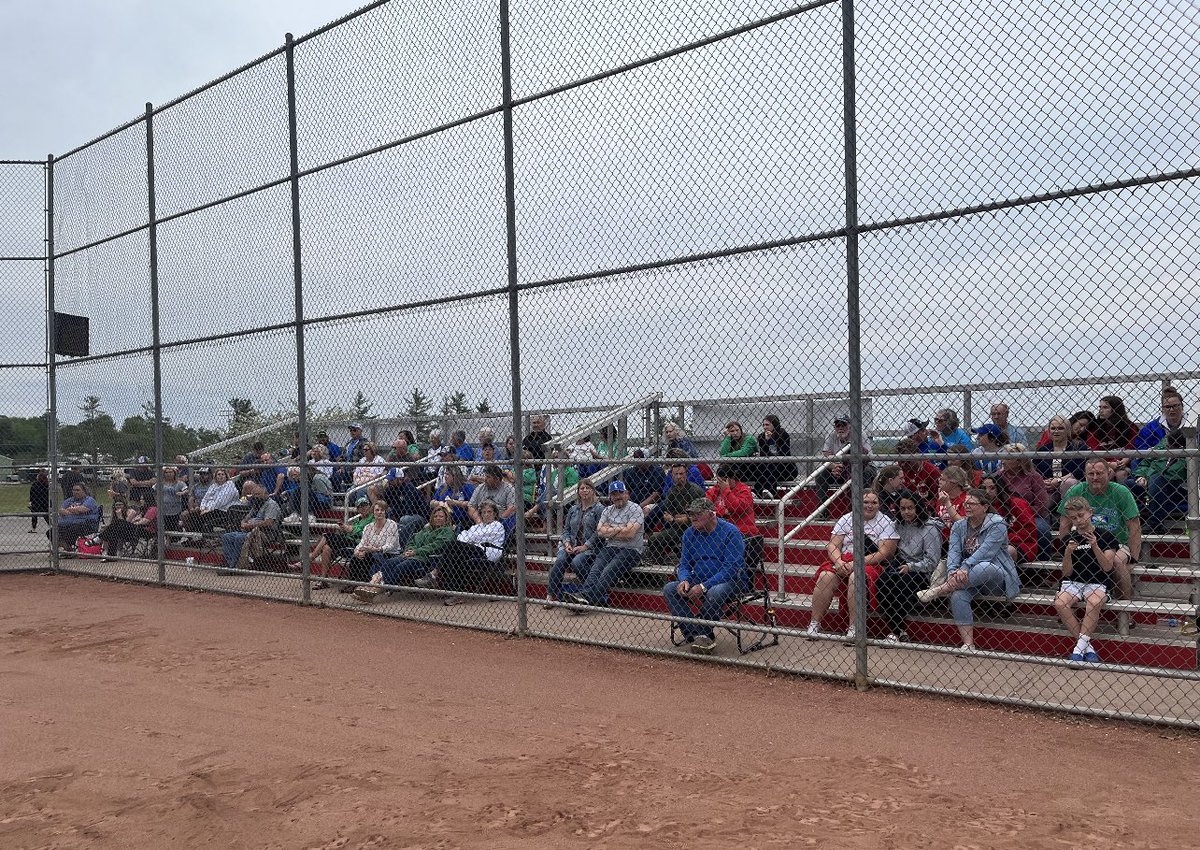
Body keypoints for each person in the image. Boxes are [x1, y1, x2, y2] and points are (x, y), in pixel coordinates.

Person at [916, 489, 1019, 652]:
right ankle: (968, 644)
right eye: (965, 503)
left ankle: (941, 589)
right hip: (965, 579)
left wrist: (964, 567)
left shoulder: (997, 524)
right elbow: (954, 551)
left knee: (984, 566)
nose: (967, 507)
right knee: (958, 595)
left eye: (972, 503)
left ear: (985, 507)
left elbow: (986, 552)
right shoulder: (959, 525)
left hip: (996, 576)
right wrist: (952, 570)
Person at [806, 489, 898, 640]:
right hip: (844, 560)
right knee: (825, 576)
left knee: (857, 577)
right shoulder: (847, 518)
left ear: (879, 504)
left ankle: (854, 627)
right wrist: (839, 561)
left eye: (874, 503)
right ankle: (815, 623)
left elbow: (884, 553)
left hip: (870, 562)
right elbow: (833, 545)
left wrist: (857, 563)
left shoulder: (885, 521)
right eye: (866, 502)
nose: (870, 506)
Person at [662, 498, 747, 654]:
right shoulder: (689, 533)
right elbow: (685, 564)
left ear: (711, 514)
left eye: (698, 514)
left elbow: (731, 569)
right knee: (669, 588)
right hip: (698, 578)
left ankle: (703, 633)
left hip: (731, 581)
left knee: (716, 591)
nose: (693, 518)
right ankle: (695, 635)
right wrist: (685, 580)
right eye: (691, 514)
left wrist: (704, 586)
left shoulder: (730, 532)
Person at [1057, 458, 1141, 600]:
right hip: (1083, 540)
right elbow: (1064, 523)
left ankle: (1125, 609)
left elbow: (1134, 525)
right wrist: (1065, 548)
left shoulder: (1120, 491)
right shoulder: (1077, 490)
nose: (1095, 478)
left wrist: (1133, 557)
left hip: (1116, 543)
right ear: (1085, 475)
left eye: (1099, 473)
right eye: (1091, 474)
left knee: (1117, 561)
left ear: (1109, 473)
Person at [1054, 496, 1119, 663]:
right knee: (1060, 603)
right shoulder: (1068, 539)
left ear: (1090, 513)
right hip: (1074, 581)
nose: (1079, 521)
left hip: (1098, 581)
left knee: (1095, 601)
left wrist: (1095, 546)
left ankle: (1077, 650)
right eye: (1074, 518)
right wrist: (1068, 553)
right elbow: (1067, 573)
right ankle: (1085, 648)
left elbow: (1107, 567)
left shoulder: (1106, 536)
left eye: (1081, 515)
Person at [564, 480, 645, 609]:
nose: (617, 496)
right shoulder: (607, 510)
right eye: (614, 494)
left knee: (607, 571)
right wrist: (621, 528)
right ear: (610, 496)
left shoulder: (635, 508)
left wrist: (610, 529)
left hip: (631, 549)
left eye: (620, 493)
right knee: (595, 570)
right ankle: (586, 599)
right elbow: (600, 532)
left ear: (627, 493)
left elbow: (630, 533)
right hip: (611, 547)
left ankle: (585, 598)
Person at [875, 491, 942, 642]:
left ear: (918, 507)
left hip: (921, 570)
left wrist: (911, 566)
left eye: (910, 508)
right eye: (903, 508)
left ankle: (895, 631)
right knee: (882, 582)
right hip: (900, 564)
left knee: (901, 586)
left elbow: (932, 561)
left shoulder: (929, 528)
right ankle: (899, 630)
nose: (906, 512)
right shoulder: (898, 525)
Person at [356, 504, 457, 600]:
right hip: (410, 554)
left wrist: (416, 552)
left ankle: (375, 589)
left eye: (441, 516)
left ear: (446, 518)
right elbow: (412, 539)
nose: (438, 518)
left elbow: (435, 546)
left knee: (400, 567)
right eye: (435, 516)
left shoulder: (447, 531)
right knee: (389, 563)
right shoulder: (426, 529)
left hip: (425, 558)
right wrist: (409, 550)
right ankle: (372, 585)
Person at [417, 501, 507, 604]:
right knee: (454, 556)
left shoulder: (498, 525)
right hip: (470, 550)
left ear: (495, 514)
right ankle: (457, 594)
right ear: (480, 514)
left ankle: (434, 574)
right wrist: (473, 538)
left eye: (489, 512)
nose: (486, 514)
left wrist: (471, 538)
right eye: (483, 512)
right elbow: (461, 536)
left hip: (486, 553)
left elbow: (471, 536)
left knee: (452, 545)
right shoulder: (477, 526)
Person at [544, 479, 603, 606]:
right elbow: (566, 530)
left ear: (593, 491)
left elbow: (599, 532)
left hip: (590, 548)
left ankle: (591, 590)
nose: (585, 490)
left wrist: (585, 546)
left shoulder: (599, 509)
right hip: (571, 545)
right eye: (582, 488)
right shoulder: (573, 509)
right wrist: (567, 543)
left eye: (588, 488)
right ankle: (551, 595)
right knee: (560, 560)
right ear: (578, 492)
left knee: (577, 562)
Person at [300, 496, 374, 589]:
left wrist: (349, 529)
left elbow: (362, 532)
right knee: (326, 548)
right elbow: (348, 533)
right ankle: (324, 580)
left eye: (365, 505)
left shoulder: (372, 518)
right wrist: (344, 529)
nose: (363, 508)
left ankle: (309, 559)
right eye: (360, 506)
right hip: (347, 542)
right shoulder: (356, 520)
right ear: (357, 509)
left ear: (369, 506)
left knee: (327, 536)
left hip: (359, 545)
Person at [644, 463, 706, 563]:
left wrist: (678, 518)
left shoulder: (696, 491)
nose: (678, 477)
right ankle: (660, 571)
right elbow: (668, 515)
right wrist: (683, 517)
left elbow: (697, 517)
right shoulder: (671, 492)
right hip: (677, 529)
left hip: (696, 529)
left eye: (681, 474)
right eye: (675, 474)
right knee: (654, 539)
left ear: (686, 474)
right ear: (671, 475)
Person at [1134, 428, 1187, 534]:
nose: (1167, 446)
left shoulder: (1187, 455)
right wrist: (1141, 475)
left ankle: (1155, 525)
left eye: (1171, 445)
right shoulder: (1165, 442)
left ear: (1180, 447)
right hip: (1149, 483)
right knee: (1128, 485)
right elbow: (1146, 461)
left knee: (1158, 479)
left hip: (1175, 487)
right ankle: (1128, 522)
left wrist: (1150, 478)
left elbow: (1174, 474)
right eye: (1167, 443)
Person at [220, 481, 282, 572]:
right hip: (250, 531)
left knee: (239, 537)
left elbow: (268, 523)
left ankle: (234, 567)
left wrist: (249, 525)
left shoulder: (271, 504)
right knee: (227, 536)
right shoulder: (257, 504)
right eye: (254, 495)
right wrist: (243, 523)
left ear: (266, 494)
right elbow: (246, 518)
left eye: (258, 494)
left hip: (266, 533)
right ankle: (231, 564)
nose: (255, 497)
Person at [341, 500, 400, 590]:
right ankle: (353, 584)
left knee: (370, 556)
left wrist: (375, 549)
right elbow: (362, 542)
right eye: (377, 510)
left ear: (385, 511)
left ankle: (363, 585)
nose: (380, 512)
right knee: (356, 558)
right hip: (372, 552)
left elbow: (390, 545)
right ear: (373, 512)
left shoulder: (392, 524)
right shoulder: (368, 527)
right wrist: (357, 551)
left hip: (389, 554)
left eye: (382, 510)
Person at [980, 473, 1038, 564]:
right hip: (990, 543)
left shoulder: (1017, 503)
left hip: (1021, 544)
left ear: (1000, 487)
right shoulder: (982, 507)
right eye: (984, 488)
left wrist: (1005, 538)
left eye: (992, 488)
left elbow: (1029, 530)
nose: (987, 492)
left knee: (1005, 551)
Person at [814, 415, 874, 499]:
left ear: (850, 426)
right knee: (821, 474)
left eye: (844, 425)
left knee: (864, 473)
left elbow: (867, 458)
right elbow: (825, 458)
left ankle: (861, 504)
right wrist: (834, 466)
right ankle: (823, 509)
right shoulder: (831, 435)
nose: (840, 428)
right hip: (840, 469)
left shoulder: (859, 434)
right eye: (838, 425)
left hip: (861, 466)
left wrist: (844, 466)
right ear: (834, 427)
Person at [1132, 387, 1186, 475]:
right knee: (1135, 462)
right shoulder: (1151, 427)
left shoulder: (1192, 424)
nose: (1172, 410)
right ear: (1162, 408)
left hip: (1183, 461)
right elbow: (1141, 447)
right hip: (1157, 461)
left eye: (1175, 405)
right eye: (1168, 407)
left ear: (1182, 406)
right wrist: (1154, 450)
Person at [1036, 414, 1088, 501]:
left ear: (1068, 430)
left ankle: (1069, 513)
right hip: (1048, 487)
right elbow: (1036, 470)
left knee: (1068, 483)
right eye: (1053, 428)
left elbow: (1080, 470)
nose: (1056, 431)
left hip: (1071, 485)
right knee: (1043, 501)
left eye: (1061, 428)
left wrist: (1059, 480)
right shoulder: (1043, 449)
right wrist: (1044, 482)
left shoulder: (1078, 447)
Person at [1094, 395, 1138, 482]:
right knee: (1107, 473)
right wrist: (1109, 464)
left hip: (1123, 464)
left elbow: (1133, 446)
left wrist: (1125, 460)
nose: (1101, 410)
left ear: (1115, 409)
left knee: (1121, 473)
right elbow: (1093, 449)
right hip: (1100, 464)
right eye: (1100, 407)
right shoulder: (1095, 427)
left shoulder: (1129, 427)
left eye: (1105, 407)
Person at [706, 463, 756, 537]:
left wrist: (726, 490)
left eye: (723, 480)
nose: (720, 484)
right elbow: (706, 507)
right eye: (719, 481)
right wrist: (723, 511)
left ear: (732, 478)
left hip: (741, 530)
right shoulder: (715, 489)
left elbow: (737, 508)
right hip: (718, 530)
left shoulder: (744, 490)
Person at [184, 467, 240, 532]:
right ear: (215, 476)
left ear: (226, 476)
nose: (220, 476)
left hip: (225, 511)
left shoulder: (229, 486)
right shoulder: (214, 486)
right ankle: (195, 537)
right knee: (194, 515)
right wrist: (203, 508)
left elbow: (220, 502)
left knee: (199, 517)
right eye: (218, 474)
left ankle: (199, 537)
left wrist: (207, 509)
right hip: (213, 510)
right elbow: (205, 498)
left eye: (222, 474)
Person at [753, 414, 796, 498]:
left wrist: (772, 440)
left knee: (771, 464)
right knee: (762, 465)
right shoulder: (762, 436)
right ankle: (761, 492)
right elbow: (763, 454)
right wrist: (766, 440)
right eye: (764, 425)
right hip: (768, 469)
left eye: (767, 425)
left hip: (785, 469)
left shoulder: (783, 434)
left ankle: (769, 492)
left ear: (774, 425)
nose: (765, 427)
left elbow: (783, 453)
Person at [893, 438, 941, 510]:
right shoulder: (897, 469)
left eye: (907, 461)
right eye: (900, 461)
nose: (903, 464)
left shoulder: (931, 470)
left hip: (925, 510)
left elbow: (937, 497)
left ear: (916, 455)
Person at [467, 465, 517, 531]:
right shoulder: (480, 487)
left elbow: (511, 508)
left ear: (497, 479)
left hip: (501, 522)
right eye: (485, 476)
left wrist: (496, 523)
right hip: (481, 519)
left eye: (488, 477)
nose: (485, 479)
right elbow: (471, 506)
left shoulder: (509, 488)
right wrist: (479, 522)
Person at [52, 483, 102, 549]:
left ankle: (68, 549)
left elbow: (82, 509)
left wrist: (69, 510)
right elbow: (61, 510)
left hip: (86, 525)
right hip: (67, 524)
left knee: (72, 529)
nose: (75, 492)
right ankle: (67, 548)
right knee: (51, 531)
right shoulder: (69, 500)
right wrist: (74, 510)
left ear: (84, 491)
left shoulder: (89, 500)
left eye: (78, 490)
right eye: (74, 490)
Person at [431, 465, 475, 529]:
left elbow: (472, 504)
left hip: (462, 520)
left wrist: (455, 502)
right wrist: (439, 503)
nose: (445, 476)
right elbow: (431, 502)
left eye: (448, 474)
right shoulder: (443, 488)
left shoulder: (467, 487)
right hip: (442, 518)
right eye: (445, 474)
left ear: (455, 476)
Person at [934, 467, 972, 538]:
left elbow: (963, 524)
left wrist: (947, 503)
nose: (939, 481)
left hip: (961, 538)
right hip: (942, 538)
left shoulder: (966, 498)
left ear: (953, 482)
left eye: (943, 479)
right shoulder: (942, 497)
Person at [158, 466, 188, 532]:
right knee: (165, 526)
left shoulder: (179, 483)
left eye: (170, 472)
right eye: (166, 472)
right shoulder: (161, 483)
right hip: (163, 509)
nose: (168, 474)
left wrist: (182, 493)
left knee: (173, 526)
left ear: (174, 473)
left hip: (175, 509)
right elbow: (153, 489)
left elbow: (186, 489)